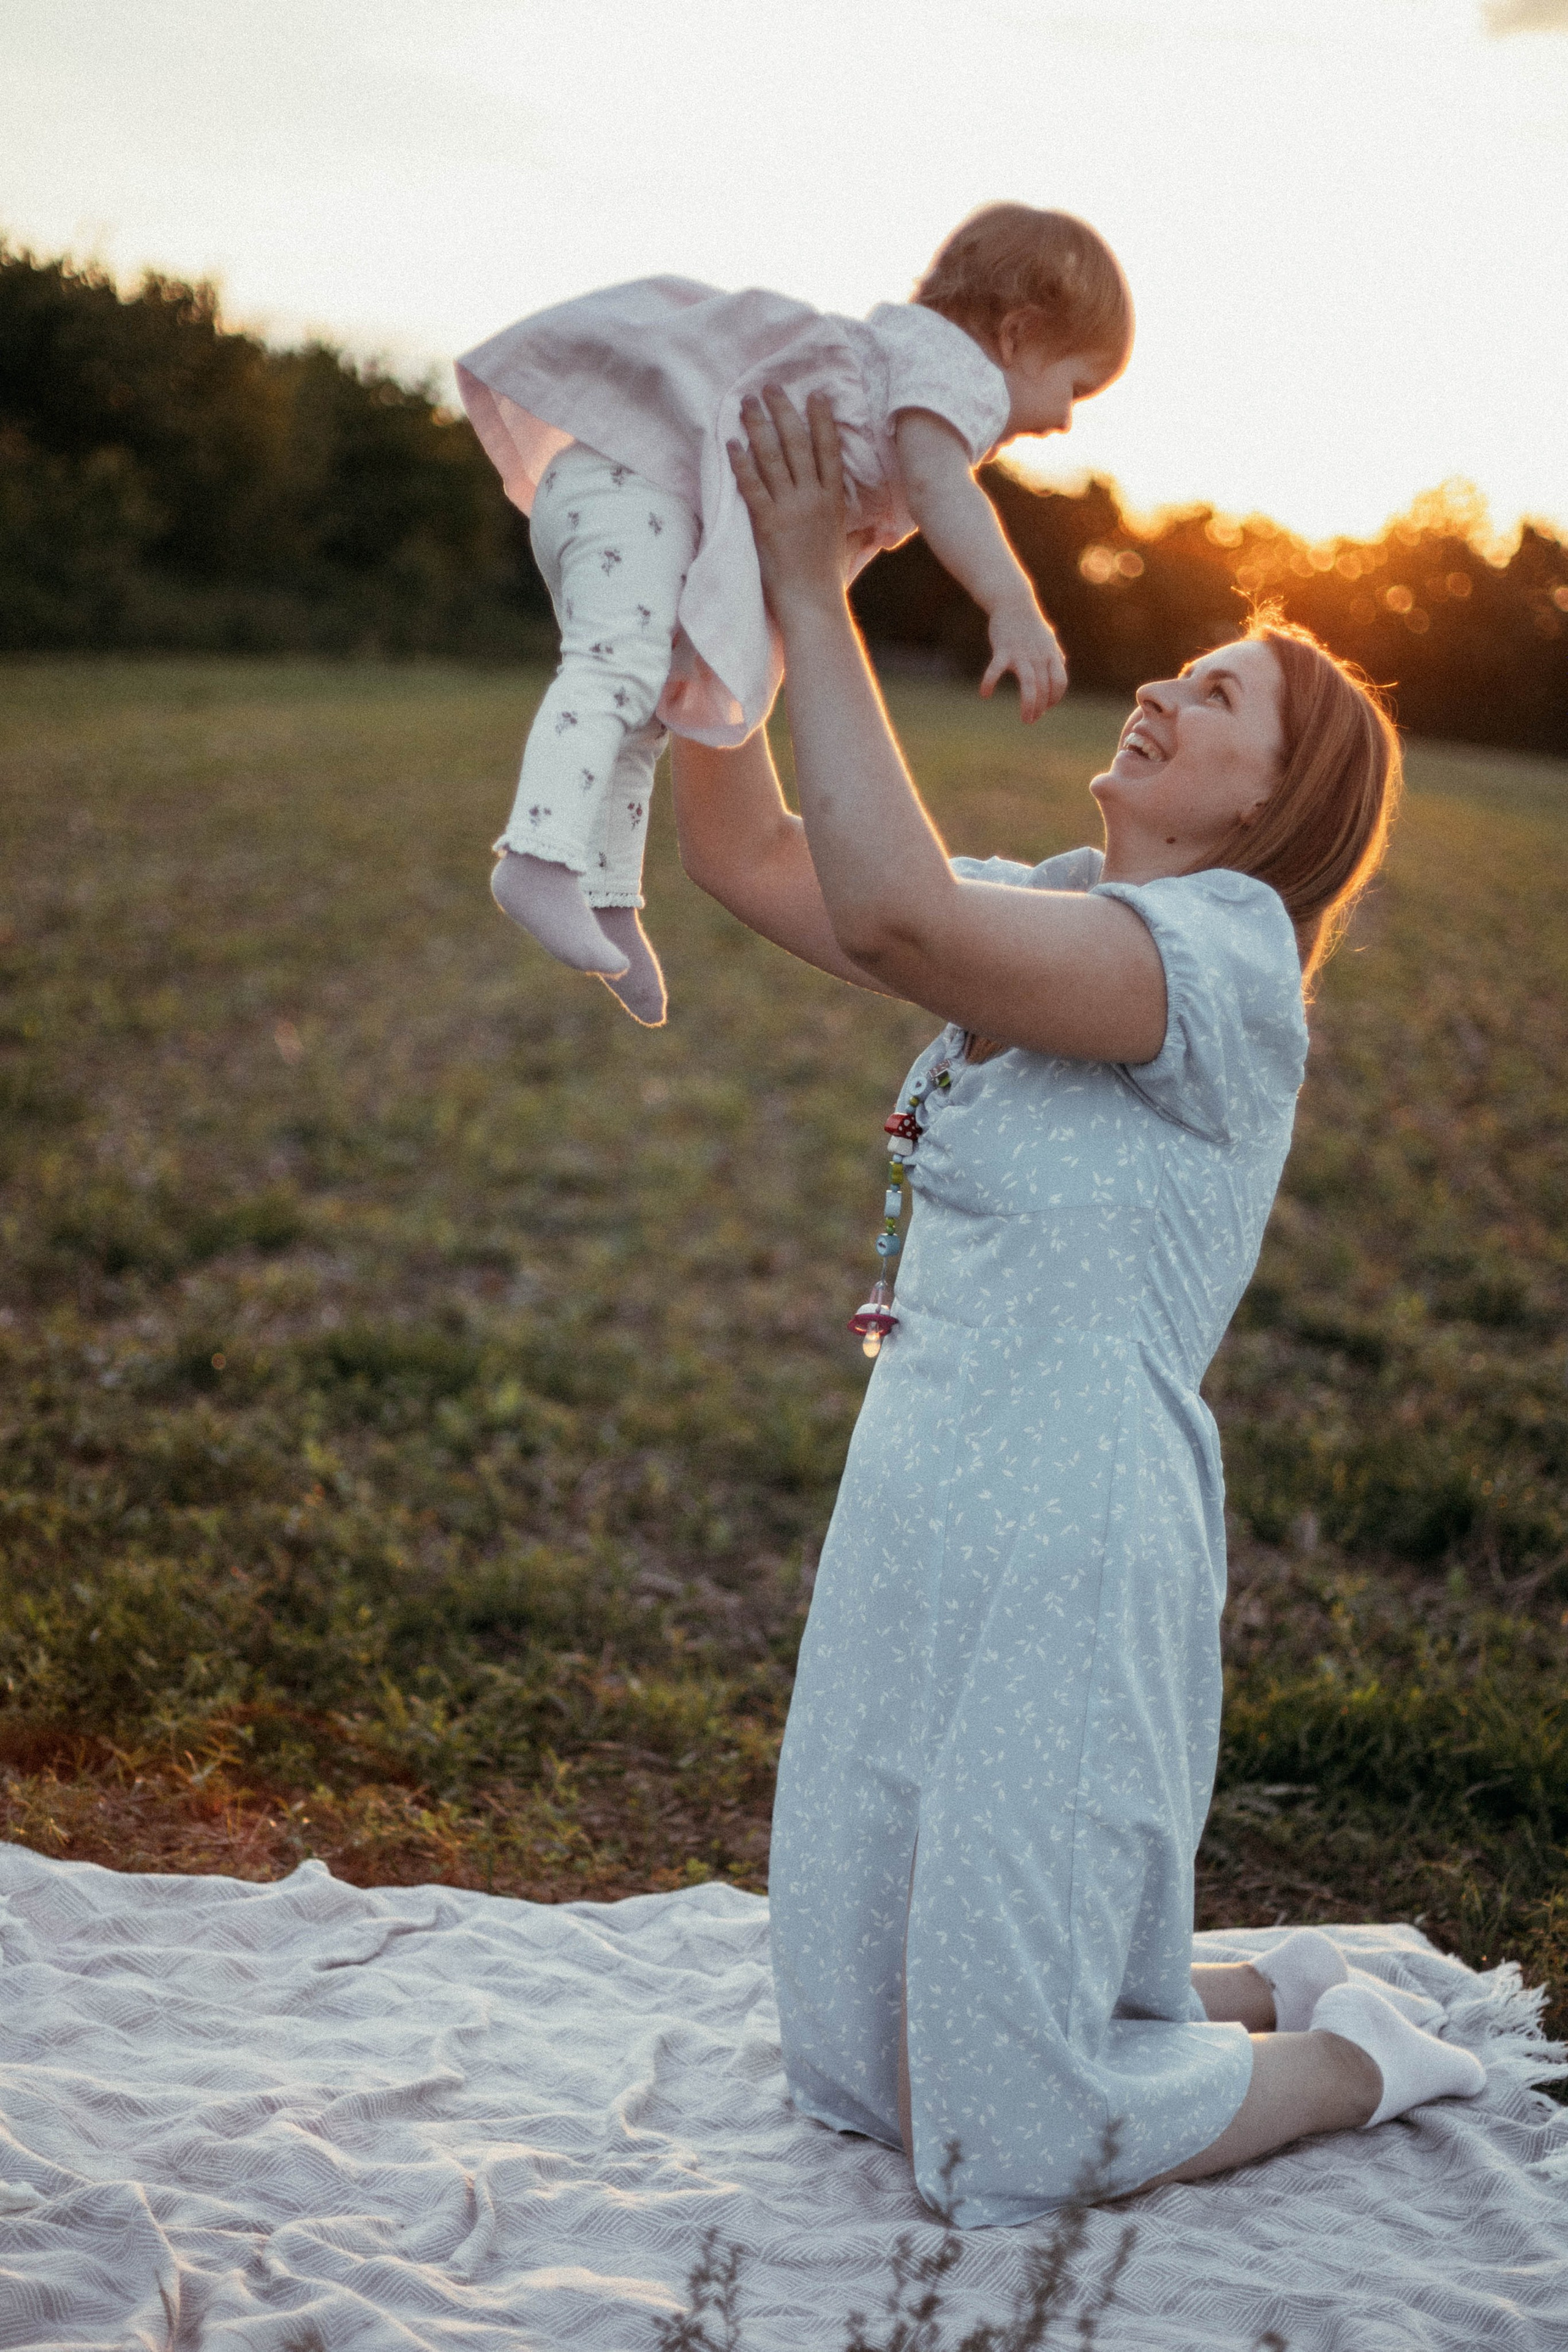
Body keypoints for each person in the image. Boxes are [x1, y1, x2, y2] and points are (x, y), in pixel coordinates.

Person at [668, 384, 1486, 2225]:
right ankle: (1218, 1981)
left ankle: (1360, 2059)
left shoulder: (1224, 959)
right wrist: (723, 612)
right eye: (1183, 668)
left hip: (1070, 1531)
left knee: (1010, 2134)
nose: (1167, 693)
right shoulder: (1057, 902)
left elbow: (893, 921)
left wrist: (821, 595)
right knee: (857, 2062)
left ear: (1273, 804)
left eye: (1217, 703)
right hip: (916, 1499)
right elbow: (749, 860)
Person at [456, 204, 1131, 1026]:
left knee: (646, 714)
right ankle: (536, 852)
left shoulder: (902, 363)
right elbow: (940, 486)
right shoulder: (959, 377)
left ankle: (605, 898)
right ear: (1018, 335)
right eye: (1078, 385)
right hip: (637, 481)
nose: (1066, 418)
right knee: (618, 667)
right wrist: (1013, 606)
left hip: (639, 492)